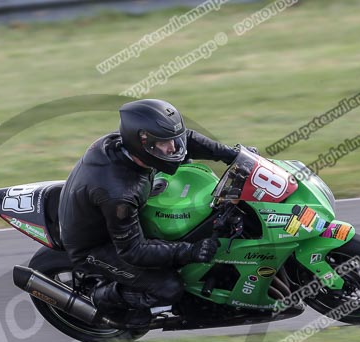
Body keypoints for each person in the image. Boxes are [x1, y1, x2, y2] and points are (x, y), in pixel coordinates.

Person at [57, 98, 257, 326]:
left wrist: (233, 156)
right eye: (165, 143)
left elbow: (187, 140)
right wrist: (190, 251)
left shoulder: (130, 146)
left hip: (109, 212)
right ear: (143, 141)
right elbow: (133, 251)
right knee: (169, 286)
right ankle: (104, 298)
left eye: (173, 139)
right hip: (97, 245)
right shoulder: (120, 194)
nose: (173, 147)